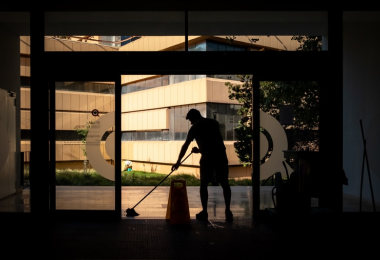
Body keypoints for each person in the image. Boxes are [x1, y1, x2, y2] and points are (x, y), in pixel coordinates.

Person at [171, 108, 233, 222]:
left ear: (194, 117)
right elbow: (213, 143)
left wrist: (178, 161)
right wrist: (200, 150)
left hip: (207, 159)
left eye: (190, 120)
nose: (190, 122)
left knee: (204, 184)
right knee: (225, 183)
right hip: (221, 156)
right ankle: (228, 211)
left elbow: (186, 145)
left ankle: (204, 212)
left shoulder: (195, 127)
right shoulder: (214, 123)